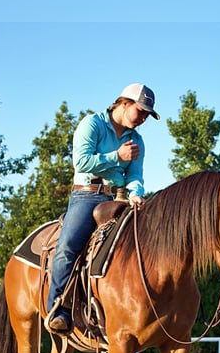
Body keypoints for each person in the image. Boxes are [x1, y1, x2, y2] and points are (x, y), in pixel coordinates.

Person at [46, 83, 160, 334]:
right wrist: (117, 156)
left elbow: (135, 175)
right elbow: (82, 161)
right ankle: (59, 308)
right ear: (124, 103)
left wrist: (137, 193)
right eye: (140, 111)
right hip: (88, 195)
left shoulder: (136, 140)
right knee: (67, 247)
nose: (143, 118)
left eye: (147, 115)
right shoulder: (93, 124)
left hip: (120, 198)